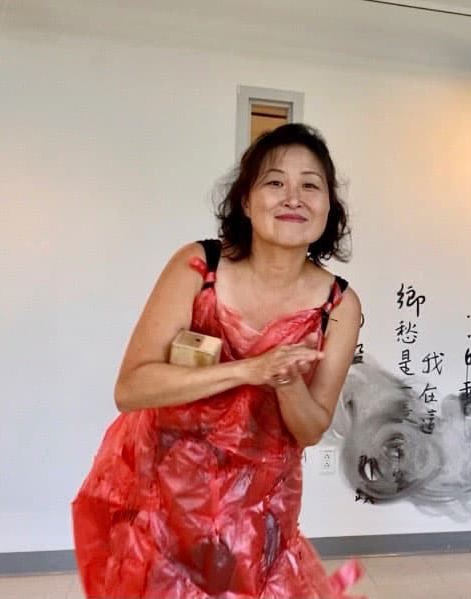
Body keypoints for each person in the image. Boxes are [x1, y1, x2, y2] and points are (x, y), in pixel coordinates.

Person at [72, 123, 363, 598]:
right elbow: (131, 388)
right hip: (161, 497)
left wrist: (287, 382)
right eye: (275, 182)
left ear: (329, 207)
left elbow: (310, 429)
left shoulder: (338, 306)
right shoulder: (199, 268)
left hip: (260, 513)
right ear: (246, 202)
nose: (294, 197)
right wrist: (250, 370)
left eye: (311, 185)